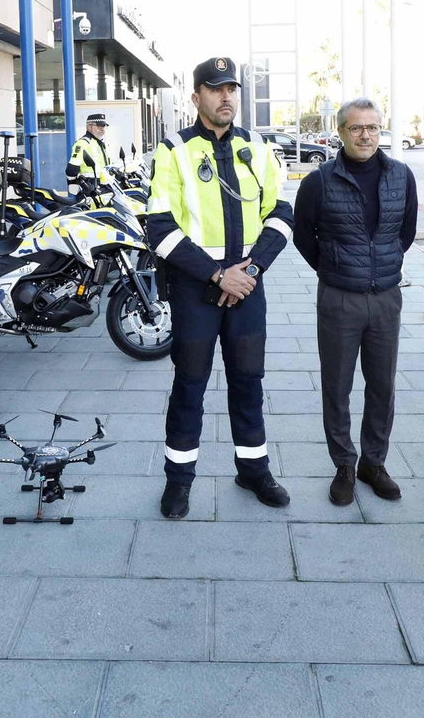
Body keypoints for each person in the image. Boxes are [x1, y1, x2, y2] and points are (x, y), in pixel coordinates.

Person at [146, 57, 296, 519]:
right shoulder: (174, 150)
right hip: (196, 292)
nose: (226, 96)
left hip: (247, 289)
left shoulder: (258, 146)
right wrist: (217, 275)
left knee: (248, 382)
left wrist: (250, 270)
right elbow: (160, 228)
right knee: (189, 386)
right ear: (196, 98)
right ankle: (178, 481)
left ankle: (253, 471)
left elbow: (281, 213)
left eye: (231, 88)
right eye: (215, 88)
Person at [292, 97, 418, 505]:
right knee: (337, 387)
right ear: (341, 132)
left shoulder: (401, 176)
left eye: (373, 127)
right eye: (357, 128)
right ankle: (344, 464)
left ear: (381, 130)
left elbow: (406, 231)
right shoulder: (320, 181)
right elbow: (303, 235)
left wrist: (382, 265)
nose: (366, 135)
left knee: (382, 385)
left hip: (386, 298)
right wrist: (334, 267)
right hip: (339, 299)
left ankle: (373, 463)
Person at [69, 112, 112, 186]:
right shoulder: (83, 143)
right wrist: (73, 186)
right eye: (99, 126)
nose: (102, 129)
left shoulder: (99, 143)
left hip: (103, 185)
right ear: (89, 127)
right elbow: (72, 169)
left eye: (103, 126)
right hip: (89, 186)